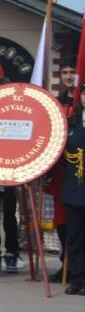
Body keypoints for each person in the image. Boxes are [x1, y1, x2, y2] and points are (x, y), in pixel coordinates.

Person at [59, 88, 85, 294]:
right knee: (74, 237)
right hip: (73, 187)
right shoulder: (71, 123)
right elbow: (58, 154)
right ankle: (77, 278)